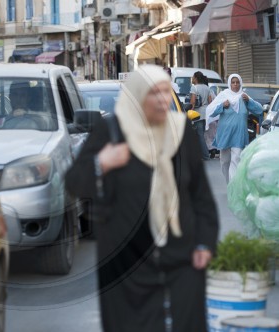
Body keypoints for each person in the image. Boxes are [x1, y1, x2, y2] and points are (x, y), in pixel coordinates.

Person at [65, 65, 219, 332]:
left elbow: (201, 196)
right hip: (126, 256)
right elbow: (74, 183)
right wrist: (101, 163)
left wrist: (205, 244)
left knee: (187, 322)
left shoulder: (181, 133)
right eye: (153, 94)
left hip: (180, 252)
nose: (161, 100)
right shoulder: (110, 131)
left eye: (164, 93)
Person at [206, 73, 263, 184]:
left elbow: (259, 110)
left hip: (239, 135)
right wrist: (222, 105)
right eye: (233, 82)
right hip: (225, 134)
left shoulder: (244, 97)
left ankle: (233, 187)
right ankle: (228, 183)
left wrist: (249, 101)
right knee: (224, 162)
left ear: (240, 83)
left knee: (235, 160)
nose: (235, 84)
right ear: (230, 84)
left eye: (237, 82)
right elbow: (210, 111)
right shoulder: (224, 95)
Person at [190, 71, 213, 161]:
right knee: (201, 134)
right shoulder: (207, 88)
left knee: (199, 135)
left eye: (192, 77)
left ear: (196, 78)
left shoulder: (194, 88)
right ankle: (201, 154)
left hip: (197, 113)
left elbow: (192, 102)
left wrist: (189, 111)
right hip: (206, 113)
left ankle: (205, 155)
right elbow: (210, 102)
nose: (192, 78)